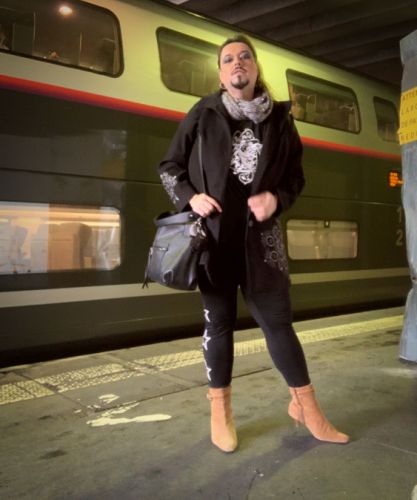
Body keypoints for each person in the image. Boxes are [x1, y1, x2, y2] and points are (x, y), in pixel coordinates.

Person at [158, 35, 349, 452]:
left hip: (261, 243)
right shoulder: (203, 112)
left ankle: (306, 407)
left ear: (256, 67)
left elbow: (296, 178)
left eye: (244, 56)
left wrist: (277, 199)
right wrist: (190, 197)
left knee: (278, 323)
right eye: (228, 59)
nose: (237, 63)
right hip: (214, 242)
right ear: (221, 74)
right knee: (219, 324)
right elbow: (169, 166)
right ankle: (220, 412)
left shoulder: (280, 119)